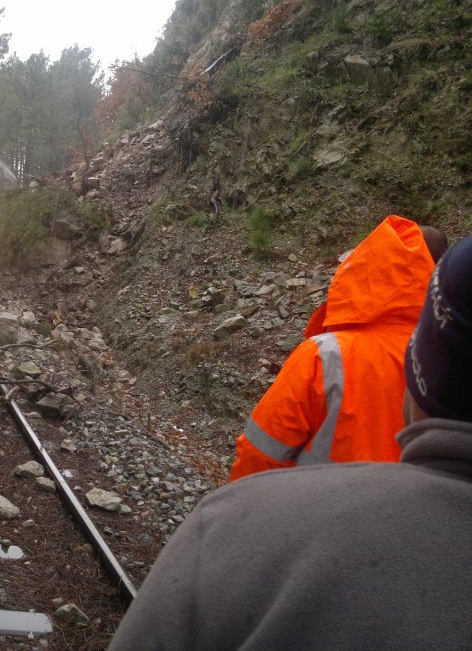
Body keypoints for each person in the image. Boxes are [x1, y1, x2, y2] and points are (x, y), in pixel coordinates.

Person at [107, 233, 472, 651]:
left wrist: (242, 530)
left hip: (311, 553)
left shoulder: (325, 354)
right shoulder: (424, 358)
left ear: (360, 273)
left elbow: (260, 455)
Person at [229, 215, 446, 481]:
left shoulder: (323, 356)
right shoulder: (454, 360)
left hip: (315, 517)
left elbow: (260, 455)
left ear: (366, 269)